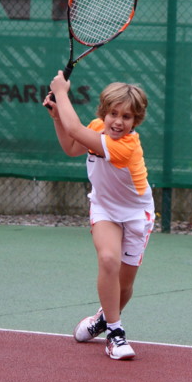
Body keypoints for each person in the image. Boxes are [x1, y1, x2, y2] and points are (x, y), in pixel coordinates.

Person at [43, 71, 155, 361]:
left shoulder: (126, 146)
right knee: (108, 260)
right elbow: (71, 146)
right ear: (104, 112)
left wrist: (61, 92)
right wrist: (57, 118)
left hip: (137, 214)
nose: (118, 121)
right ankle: (115, 334)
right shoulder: (97, 128)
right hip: (104, 208)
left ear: (136, 120)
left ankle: (102, 319)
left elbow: (76, 130)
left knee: (124, 285)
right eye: (113, 113)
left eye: (126, 117)